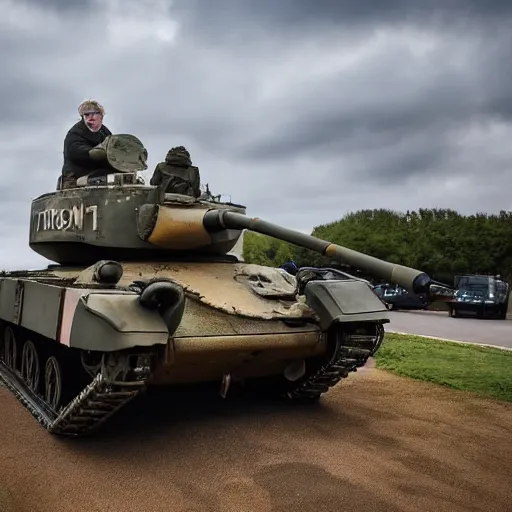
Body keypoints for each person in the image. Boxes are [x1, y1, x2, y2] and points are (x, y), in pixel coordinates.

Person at [60, 99, 113, 189]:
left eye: (95, 113)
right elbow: (75, 151)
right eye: (87, 114)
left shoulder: (104, 132)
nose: (91, 117)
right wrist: (95, 152)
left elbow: (114, 146)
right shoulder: (75, 133)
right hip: (75, 176)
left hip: (99, 173)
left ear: (101, 116)